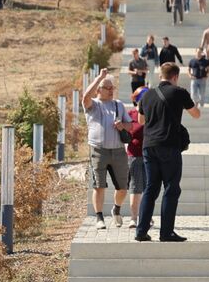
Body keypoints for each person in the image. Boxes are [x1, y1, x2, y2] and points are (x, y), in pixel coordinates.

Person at [134, 62, 200, 242]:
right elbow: (196, 114)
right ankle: (166, 232)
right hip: (168, 144)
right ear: (175, 77)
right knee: (171, 188)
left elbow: (141, 120)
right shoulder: (179, 92)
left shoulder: (147, 95)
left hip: (148, 145)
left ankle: (141, 231)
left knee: (151, 188)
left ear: (160, 75)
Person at [82, 70, 134, 230]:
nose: (111, 90)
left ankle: (116, 209)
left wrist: (122, 126)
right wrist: (100, 77)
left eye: (113, 88)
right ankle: (99, 218)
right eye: (107, 88)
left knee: (123, 188)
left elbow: (130, 125)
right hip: (98, 150)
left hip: (118, 150)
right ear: (99, 89)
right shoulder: (93, 105)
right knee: (99, 185)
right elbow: (85, 97)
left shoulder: (118, 105)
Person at [124, 88, 147, 229]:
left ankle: (146, 216)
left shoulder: (153, 113)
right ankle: (133, 218)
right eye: (142, 96)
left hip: (151, 155)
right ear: (136, 99)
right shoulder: (130, 114)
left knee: (149, 188)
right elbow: (130, 131)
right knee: (136, 187)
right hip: (135, 156)